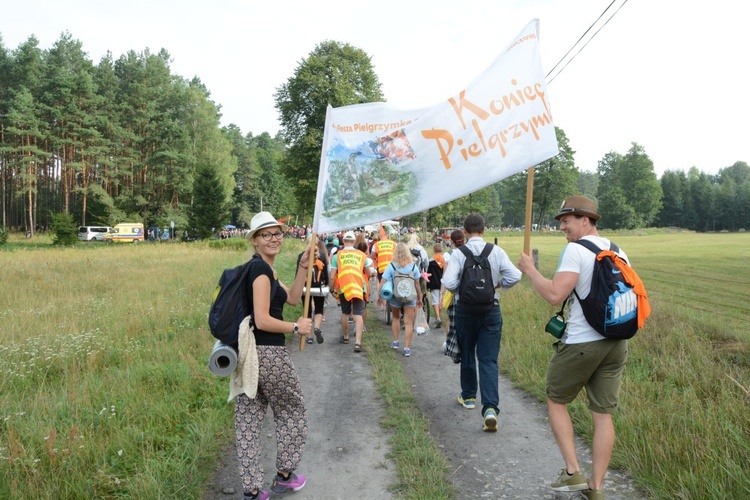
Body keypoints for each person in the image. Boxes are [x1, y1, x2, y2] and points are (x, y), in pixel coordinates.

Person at [517, 196, 629, 500]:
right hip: (616, 344)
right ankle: (597, 488)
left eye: (568, 219)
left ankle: (572, 472)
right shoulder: (618, 251)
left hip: (582, 342)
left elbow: (555, 294)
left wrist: (530, 270)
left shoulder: (576, 250)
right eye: (561, 220)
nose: (562, 226)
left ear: (586, 220)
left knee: (556, 400)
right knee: (603, 414)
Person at [234, 211, 313, 500]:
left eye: (277, 233)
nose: (273, 238)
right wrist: (296, 326)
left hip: (249, 356)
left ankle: (252, 491)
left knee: (249, 420)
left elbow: (292, 298)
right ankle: (285, 477)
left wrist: (303, 267)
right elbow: (263, 320)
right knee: (292, 409)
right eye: (265, 234)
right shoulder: (260, 272)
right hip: (268, 353)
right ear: (254, 241)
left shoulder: (266, 270)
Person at [441, 213, 521, 432]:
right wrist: (495, 286)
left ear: (465, 232)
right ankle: (490, 409)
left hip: (465, 311)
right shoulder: (496, 251)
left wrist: (462, 291)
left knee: (467, 352)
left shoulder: (459, 253)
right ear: (484, 230)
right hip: (491, 310)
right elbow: (516, 276)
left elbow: (448, 282)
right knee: (488, 360)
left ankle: (468, 397)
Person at [377, 242, 423, 357]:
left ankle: (396, 341)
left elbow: (382, 281)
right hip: (410, 297)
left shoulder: (392, 266)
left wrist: (379, 295)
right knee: (408, 323)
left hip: (395, 297)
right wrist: (420, 298)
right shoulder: (413, 266)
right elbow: (417, 284)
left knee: (396, 318)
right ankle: (407, 348)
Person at [329, 231, 368, 352]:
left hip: (344, 288)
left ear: (343, 241)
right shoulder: (362, 255)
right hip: (358, 287)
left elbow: (332, 276)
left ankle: (346, 337)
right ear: (354, 241)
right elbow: (369, 272)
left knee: (345, 313)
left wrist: (331, 289)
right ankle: (357, 343)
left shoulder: (337, 256)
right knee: (358, 314)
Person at [297, 238, 328, 345]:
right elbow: (325, 272)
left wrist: (298, 287)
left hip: (305, 287)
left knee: (307, 310)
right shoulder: (322, 255)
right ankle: (317, 328)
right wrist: (327, 285)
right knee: (319, 308)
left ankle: (309, 336)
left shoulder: (302, 255)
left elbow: (298, 273)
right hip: (318, 286)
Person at [370, 232, 395, 302]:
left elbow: (371, 257)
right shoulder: (393, 243)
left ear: (379, 236)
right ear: (387, 235)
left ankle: (381, 299)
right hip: (392, 267)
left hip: (381, 267)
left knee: (380, 282)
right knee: (393, 282)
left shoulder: (376, 245)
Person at [426, 242, 446, 329]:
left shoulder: (430, 261)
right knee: (441, 301)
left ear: (434, 250)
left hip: (434, 283)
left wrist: (428, 284)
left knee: (435, 301)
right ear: (441, 250)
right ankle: (439, 317)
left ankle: (437, 318)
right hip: (444, 284)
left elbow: (428, 273)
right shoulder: (445, 260)